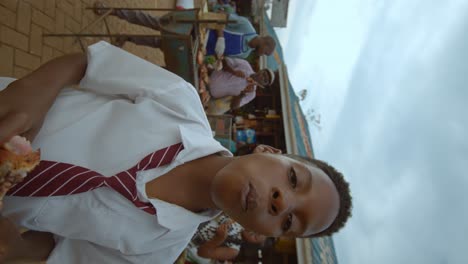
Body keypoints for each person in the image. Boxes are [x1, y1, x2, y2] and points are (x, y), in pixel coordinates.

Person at [0, 41, 352, 263]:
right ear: (269, 150)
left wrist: (18, 251)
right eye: (292, 178)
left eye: (288, 221)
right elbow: (88, 65)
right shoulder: (177, 100)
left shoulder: (157, 251)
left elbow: (61, 248)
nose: (281, 202)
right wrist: (33, 92)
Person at [92, 2, 276, 59]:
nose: (262, 54)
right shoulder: (246, 26)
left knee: (161, 44)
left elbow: (223, 57)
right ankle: (114, 11)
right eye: (265, 51)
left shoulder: (244, 54)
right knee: (155, 23)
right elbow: (220, 16)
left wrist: (216, 60)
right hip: (194, 28)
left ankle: (127, 37)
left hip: (197, 49)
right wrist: (220, 37)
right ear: (264, 41)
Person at [187, 213, 265, 263]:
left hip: (186, 236)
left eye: (256, 237)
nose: (254, 233)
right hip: (191, 213)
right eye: (258, 230)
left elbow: (201, 253)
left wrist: (218, 239)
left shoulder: (233, 250)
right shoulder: (240, 216)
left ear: (251, 245)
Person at [209, 57, 275, 110]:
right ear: (261, 70)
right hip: (206, 75)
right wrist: (233, 71)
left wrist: (243, 94)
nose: (262, 78)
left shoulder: (251, 94)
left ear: (263, 85)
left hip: (208, 95)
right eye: (264, 74)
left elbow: (233, 107)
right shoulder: (245, 65)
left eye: (265, 80)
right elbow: (223, 60)